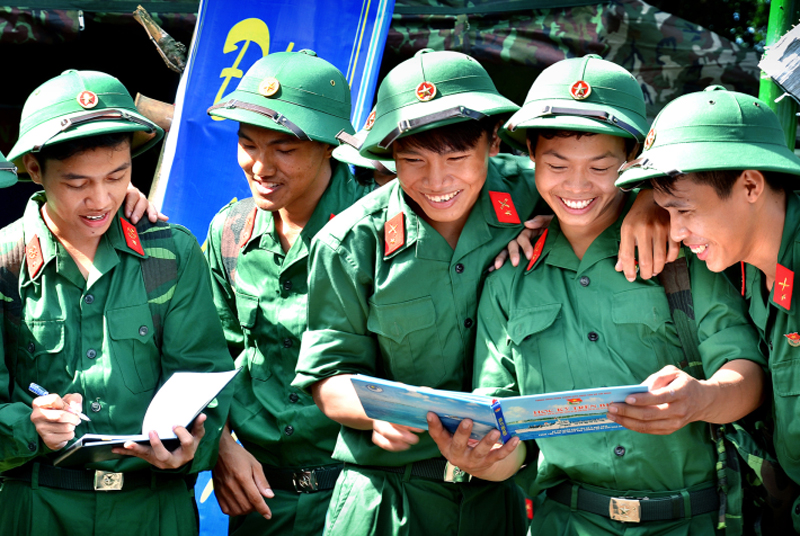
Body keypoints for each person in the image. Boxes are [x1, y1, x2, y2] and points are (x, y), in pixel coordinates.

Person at [293, 49, 673, 536]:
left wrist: (647, 203)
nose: (437, 181)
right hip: (390, 498)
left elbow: (601, 180)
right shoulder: (350, 243)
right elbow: (328, 376)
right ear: (389, 157)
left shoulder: (532, 187)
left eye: (457, 158)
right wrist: (374, 415)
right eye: (413, 161)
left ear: (494, 141)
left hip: (496, 497)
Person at [427, 56, 766, 536]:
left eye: (602, 166)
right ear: (531, 155)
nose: (577, 185)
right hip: (565, 522)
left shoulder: (683, 251)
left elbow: (747, 373)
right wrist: (481, 457)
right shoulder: (509, 278)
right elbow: (505, 435)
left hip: (690, 522)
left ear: (633, 157)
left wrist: (701, 400)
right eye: (556, 165)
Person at [0, 69, 233, 536]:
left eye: (117, 176)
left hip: (153, 510)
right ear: (34, 170)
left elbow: (205, 375)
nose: (100, 199)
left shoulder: (171, 254)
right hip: (37, 509)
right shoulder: (6, 263)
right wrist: (30, 425)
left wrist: (192, 445)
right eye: (77, 183)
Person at [615, 85, 800, 531]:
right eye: (666, 212)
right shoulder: (751, 270)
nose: (675, 232)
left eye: (684, 211)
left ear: (751, 185)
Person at [203, 50, 371, 536]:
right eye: (247, 143)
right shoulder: (230, 232)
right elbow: (209, 360)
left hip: (359, 497)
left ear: (330, 146)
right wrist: (221, 445)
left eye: (284, 149)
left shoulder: (379, 227)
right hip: (262, 504)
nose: (260, 165)